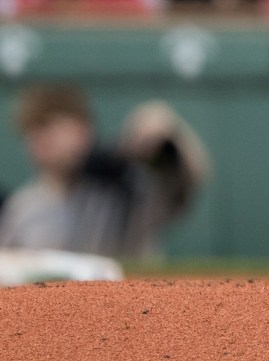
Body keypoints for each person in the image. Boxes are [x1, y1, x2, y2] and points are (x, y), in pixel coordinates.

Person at [0, 85, 210, 280]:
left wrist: (168, 133)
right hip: (52, 316)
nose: (42, 139)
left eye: (51, 127)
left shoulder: (126, 188)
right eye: (33, 130)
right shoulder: (22, 207)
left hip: (131, 311)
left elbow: (188, 177)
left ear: (83, 129)